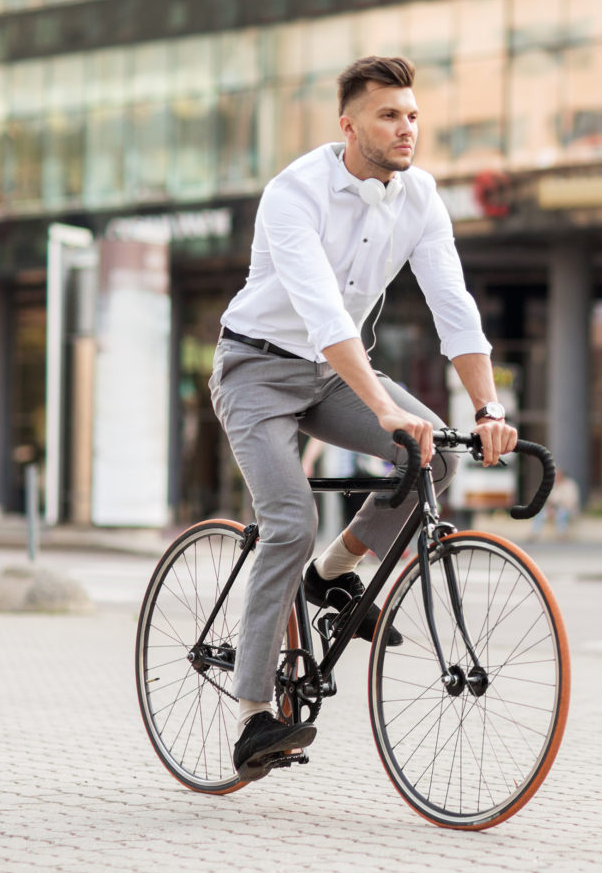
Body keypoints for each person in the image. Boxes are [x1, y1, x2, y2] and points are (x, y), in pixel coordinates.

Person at [209, 55, 517, 780]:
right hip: (256, 368)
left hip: (330, 374)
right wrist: (383, 406)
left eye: (412, 114)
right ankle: (254, 712)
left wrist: (489, 405)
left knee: (433, 455)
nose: (406, 127)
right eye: (389, 115)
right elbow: (321, 314)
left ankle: (334, 572)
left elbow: (455, 307)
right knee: (287, 519)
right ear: (349, 126)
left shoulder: (422, 197)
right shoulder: (295, 192)